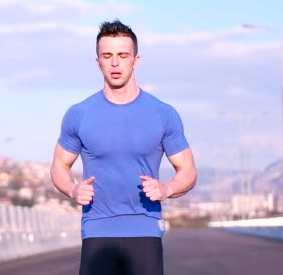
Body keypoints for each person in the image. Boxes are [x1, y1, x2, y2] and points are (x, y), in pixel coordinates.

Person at [50, 20, 197, 275]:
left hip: (145, 230)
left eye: (122, 55)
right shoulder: (79, 114)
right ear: (98, 62)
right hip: (97, 230)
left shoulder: (163, 113)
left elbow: (188, 171)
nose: (115, 63)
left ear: (135, 60)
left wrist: (167, 188)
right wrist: (73, 189)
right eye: (107, 55)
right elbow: (59, 166)